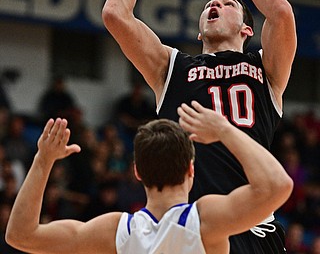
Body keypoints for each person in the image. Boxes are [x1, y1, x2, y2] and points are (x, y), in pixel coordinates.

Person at [102, 0, 297, 252]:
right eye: (208, 5)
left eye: (229, 3)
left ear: (247, 29)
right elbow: (114, 14)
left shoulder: (265, 67)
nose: (215, 3)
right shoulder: (172, 68)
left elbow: (281, 11)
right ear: (199, 31)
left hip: (254, 225)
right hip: (197, 227)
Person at [5, 109, 293, 254]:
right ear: (191, 170)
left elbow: (20, 235)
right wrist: (225, 130)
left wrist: (43, 161)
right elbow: (277, 185)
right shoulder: (204, 221)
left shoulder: (115, 230)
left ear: (137, 172)